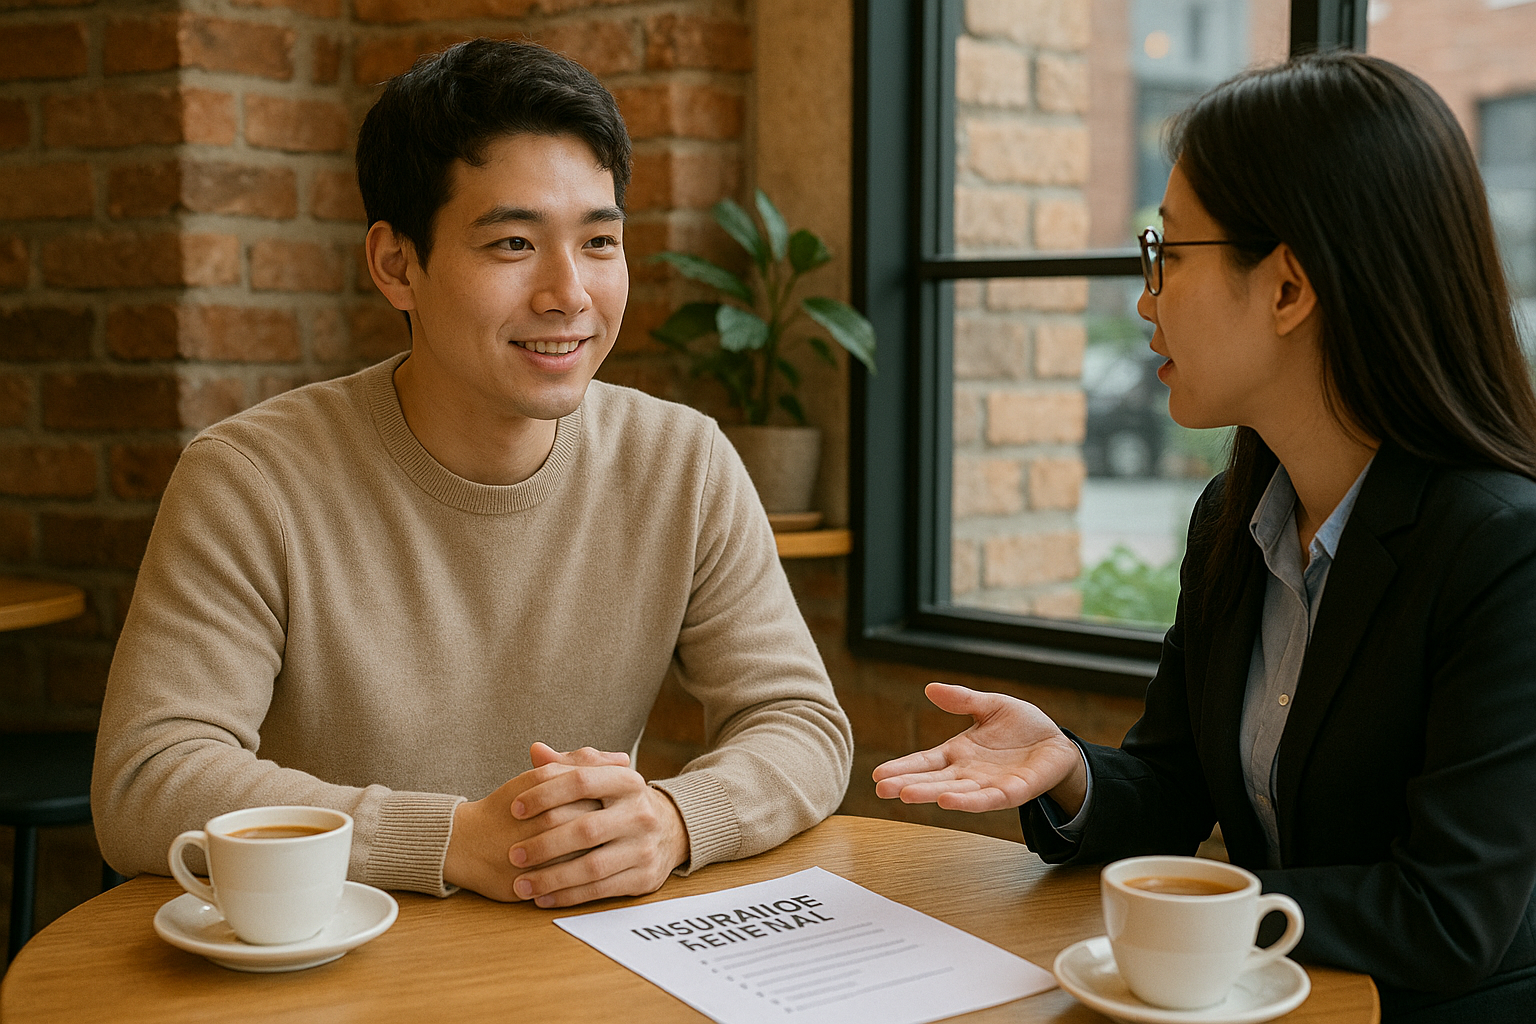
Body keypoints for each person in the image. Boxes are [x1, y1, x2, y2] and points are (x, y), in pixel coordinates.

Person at [92, 38, 851, 910]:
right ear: (396, 265)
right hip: (331, 962)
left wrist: (677, 819)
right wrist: (447, 839)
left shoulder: (683, 461)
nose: (569, 292)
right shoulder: (249, 480)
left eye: (600, 240)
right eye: (515, 243)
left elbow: (801, 724)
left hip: (580, 960)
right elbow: (148, 781)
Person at [874, 52, 1536, 1023]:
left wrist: (1192, 917)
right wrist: (1067, 768)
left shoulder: (1502, 551)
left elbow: (1446, 914)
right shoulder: (1232, 518)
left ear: (1287, 287)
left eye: (1168, 255)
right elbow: (1178, 786)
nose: (1145, 299)